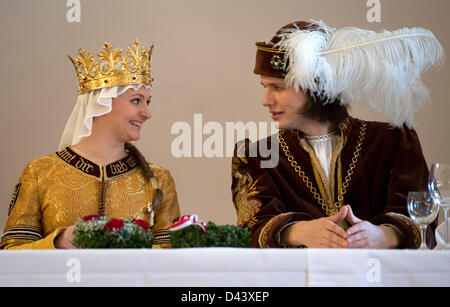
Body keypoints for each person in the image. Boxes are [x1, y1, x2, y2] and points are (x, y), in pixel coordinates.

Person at [231, 20, 444, 249]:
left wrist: (383, 235)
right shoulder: (257, 156)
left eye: (278, 87)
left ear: (316, 85)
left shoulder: (393, 141)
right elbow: (249, 232)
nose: (266, 100)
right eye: (265, 87)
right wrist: (298, 231)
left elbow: (424, 221)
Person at [1, 40, 181, 249]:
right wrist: (56, 242)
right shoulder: (40, 173)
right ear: (100, 103)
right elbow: (10, 254)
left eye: (147, 102)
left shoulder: (159, 180)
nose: (147, 113)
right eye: (136, 100)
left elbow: (172, 259)